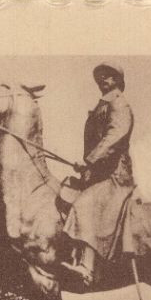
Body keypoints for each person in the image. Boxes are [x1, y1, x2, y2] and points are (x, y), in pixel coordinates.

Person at [60, 62, 135, 286]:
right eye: (100, 77)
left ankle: (87, 267)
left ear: (117, 80)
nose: (103, 80)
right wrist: (87, 167)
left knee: (84, 204)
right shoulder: (102, 105)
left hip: (115, 176)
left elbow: (116, 135)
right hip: (99, 173)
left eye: (108, 76)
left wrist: (91, 159)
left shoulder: (119, 103)